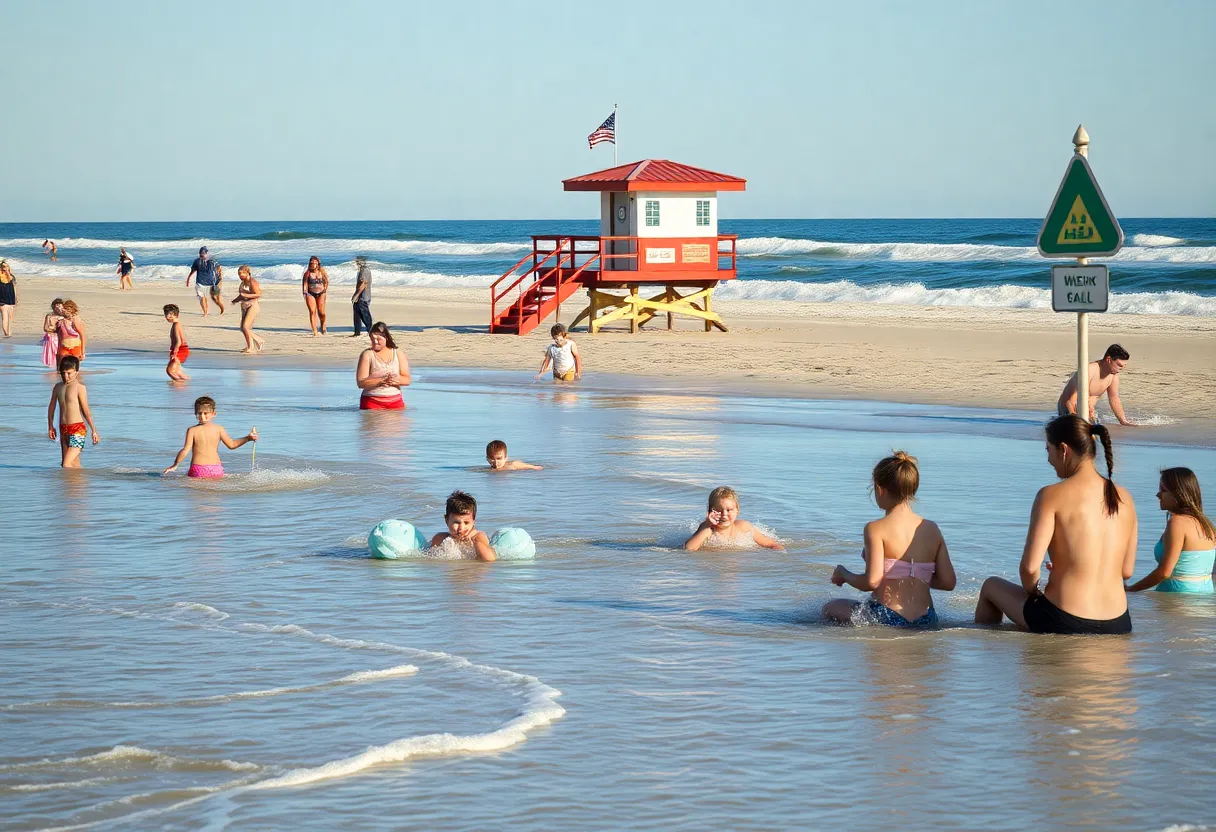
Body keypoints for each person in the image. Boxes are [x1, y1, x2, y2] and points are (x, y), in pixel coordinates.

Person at [975, 415, 1136, 635]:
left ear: (1063, 449)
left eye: (1048, 450)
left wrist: (1034, 591)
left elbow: (1030, 568)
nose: (1048, 459)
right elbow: (1126, 571)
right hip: (1119, 622)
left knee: (991, 586)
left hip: (1063, 619)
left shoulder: (1051, 495)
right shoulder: (1124, 497)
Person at [823, 451, 956, 628]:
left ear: (880, 489)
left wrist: (843, 574)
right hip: (927, 617)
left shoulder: (875, 528)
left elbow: (871, 582)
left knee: (829, 608)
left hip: (887, 616)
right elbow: (948, 582)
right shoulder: (932, 528)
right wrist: (914, 575)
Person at [1126, 468, 1215, 594]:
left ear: (1178, 494)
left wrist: (1130, 590)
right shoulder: (1207, 524)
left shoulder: (1177, 522)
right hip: (1204, 598)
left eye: (1163, 490)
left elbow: (1164, 572)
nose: (1158, 495)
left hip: (1177, 600)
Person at [163, 396, 257, 479]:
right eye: (199, 413)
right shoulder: (219, 429)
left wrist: (175, 464)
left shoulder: (192, 430)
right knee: (213, 497)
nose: (202, 417)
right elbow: (232, 445)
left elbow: (185, 450)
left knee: (196, 496)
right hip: (216, 469)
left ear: (213, 414)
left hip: (198, 469)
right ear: (195, 413)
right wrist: (248, 438)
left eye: (205, 413)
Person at [684, 486, 784, 551]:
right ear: (710, 512)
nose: (724, 514)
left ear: (737, 511)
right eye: (718, 510)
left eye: (729, 510)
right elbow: (688, 549)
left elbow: (771, 544)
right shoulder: (707, 529)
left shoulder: (744, 527)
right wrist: (707, 525)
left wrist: (782, 554)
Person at [1057, 343, 1134, 426]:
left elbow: (1114, 398)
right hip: (1067, 409)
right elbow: (1070, 401)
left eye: (1124, 366)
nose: (1122, 368)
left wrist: (1123, 421)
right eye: (1119, 365)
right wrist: (1075, 421)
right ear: (1108, 359)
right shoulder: (1090, 370)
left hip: (1088, 411)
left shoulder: (1113, 375)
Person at [46, 356, 100, 467]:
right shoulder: (57, 387)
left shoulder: (80, 388)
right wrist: (50, 426)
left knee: (67, 464)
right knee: (71, 463)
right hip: (63, 429)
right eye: (63, 373)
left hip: (77, 429)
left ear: (76, 372)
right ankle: (77, 484)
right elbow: (51, 407)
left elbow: (86, 411)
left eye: (69, 373)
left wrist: (94, 430)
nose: (66, 377)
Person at [355, 321, 410, 410]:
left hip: (395, 402)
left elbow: (407, 379)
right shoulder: (367, 354)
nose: (375, 342)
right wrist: (380, 381)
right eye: (372, 339)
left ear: (386, 338)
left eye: (378, 339)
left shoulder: (398, 353)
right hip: (371, 402)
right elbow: (361, 383)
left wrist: (395, 380)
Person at [429, 490, 497, 561]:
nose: (461, 528)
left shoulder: (478, 537)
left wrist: (476, 544)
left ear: (474, 522)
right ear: (446, 520)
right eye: (456, 523)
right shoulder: (440, 539)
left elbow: (490, 559)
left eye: (466, 523)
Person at [231, 265, 265, 353]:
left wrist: (245, 295)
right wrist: (234, 300)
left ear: (247, 273)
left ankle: (251, 347)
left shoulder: (253, 282)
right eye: (238, 274)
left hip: (253, 305)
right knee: (243, 328)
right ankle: (256, 342)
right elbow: (241, 295)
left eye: (241, 274)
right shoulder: (242, 283)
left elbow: (258, 294)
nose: (239, 276)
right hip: (244, 305)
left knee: (245, 327)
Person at [186, 246, 224, 316]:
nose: (202, 255)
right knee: (202, 297)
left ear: (207, 254)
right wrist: (188, 280)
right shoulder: (197, 261)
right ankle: (205, 313)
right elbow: (192, 271)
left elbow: (219, 268)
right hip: (200, 282)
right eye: (200, 254)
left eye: (203, 254)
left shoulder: (213, 261)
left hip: (212, 283)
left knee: (215, 299)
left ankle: (222, 308)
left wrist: (220, 276)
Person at [301, 256, 329, 336]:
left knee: (321, 313)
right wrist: (305, 292)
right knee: (312, 311)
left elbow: (326, 281)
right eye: (312, 263)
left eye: (315, 263)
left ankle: (323, 324)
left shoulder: (322, 272)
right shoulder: (307, 273)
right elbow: (305, 284)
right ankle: (315, 331)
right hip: (310, 293)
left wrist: (325, 289)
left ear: (318, 264)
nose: (313, 265)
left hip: (321, 293)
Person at [163, 304, 190, 381]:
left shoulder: (176, 325)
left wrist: (175, 351)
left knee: (170, 371)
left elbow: (179, 341)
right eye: (166, 316)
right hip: (181, 349)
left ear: (175, 315)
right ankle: (184, 382)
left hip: (179, 349)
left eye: (169, 316)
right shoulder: (176, 324)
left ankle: (179, 384)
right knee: (177, 371)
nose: (167, 318)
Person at [351, 255, 373, 337]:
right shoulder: (361, 270)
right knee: (357, 314)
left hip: (363, 296)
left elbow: (363, 284)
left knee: (365, 315)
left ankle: (370, 331)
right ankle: (357, 332)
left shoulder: (365, 270)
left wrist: (356, 295)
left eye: (358, 261)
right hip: (360, 296)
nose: (356, 263)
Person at [41, 299, 64, 368]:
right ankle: (53, 365)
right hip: (51, 336)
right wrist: (53, 330)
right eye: (56, 305)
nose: (58, 307)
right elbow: (45, 328)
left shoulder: (64, 316)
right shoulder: (49, 316)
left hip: (60, 336)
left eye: (60, 305)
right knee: (53, 352)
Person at [0, 260, 16, 337]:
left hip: (10, 297)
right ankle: (6, 332)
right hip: (1, 298)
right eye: (3, 266)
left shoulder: (11, 276)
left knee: (10, 316)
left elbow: (13, 284)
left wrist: (16, 297)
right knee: (4, 315)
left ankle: (9, 332)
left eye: (6, 266)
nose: (5, 268)